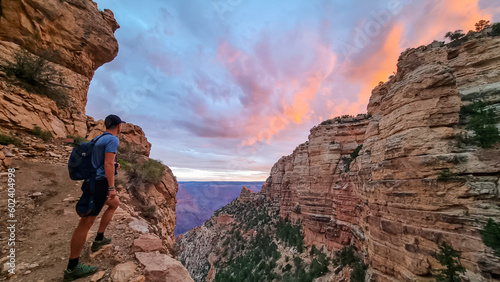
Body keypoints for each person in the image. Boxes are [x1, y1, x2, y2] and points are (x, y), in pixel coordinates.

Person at [63, 114, 125, 281]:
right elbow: (107, 164)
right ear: (118, 126)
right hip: (98, 184)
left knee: (114, 204)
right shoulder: (112, 140)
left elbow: (100, 162)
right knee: (86, 222)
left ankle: (99, 238)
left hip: (94, 181)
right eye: (121, 126)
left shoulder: (98, 139)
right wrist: (111, 187)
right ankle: (72, 268)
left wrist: (114, 167)